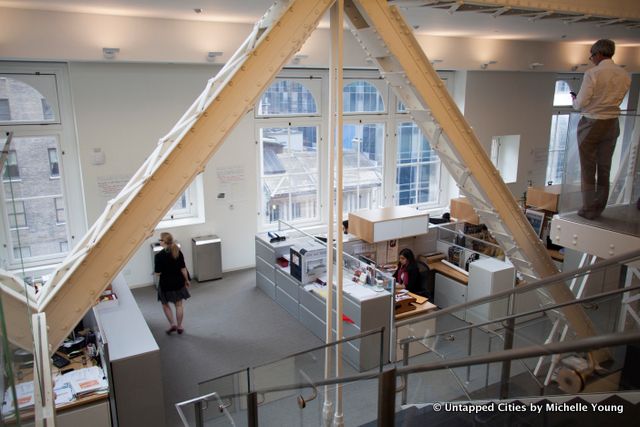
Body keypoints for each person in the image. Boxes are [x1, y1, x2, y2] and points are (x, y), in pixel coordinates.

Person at [571, 39, 631, 220]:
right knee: (605, 167)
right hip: (612, 123)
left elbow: (581, 103)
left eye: (591, 56)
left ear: (598, 54)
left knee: (588, 167)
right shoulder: (624, 74)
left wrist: (574, 101)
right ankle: (600, 206)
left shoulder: (593, 73)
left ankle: (588, 207)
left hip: (591, 122)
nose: (591, 60)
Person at [154, 232, 191, 335]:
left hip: (165, 285)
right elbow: (183, 269)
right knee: (179, 305)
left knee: (165, 305)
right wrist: (187, 280)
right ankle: (179, 326)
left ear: (163, 242)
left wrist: (157, 272)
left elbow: (157, 273)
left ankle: (172, 325)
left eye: (160, 240)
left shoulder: (158, 256)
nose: (159, 242)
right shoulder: (178, 252)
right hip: (178, 283)